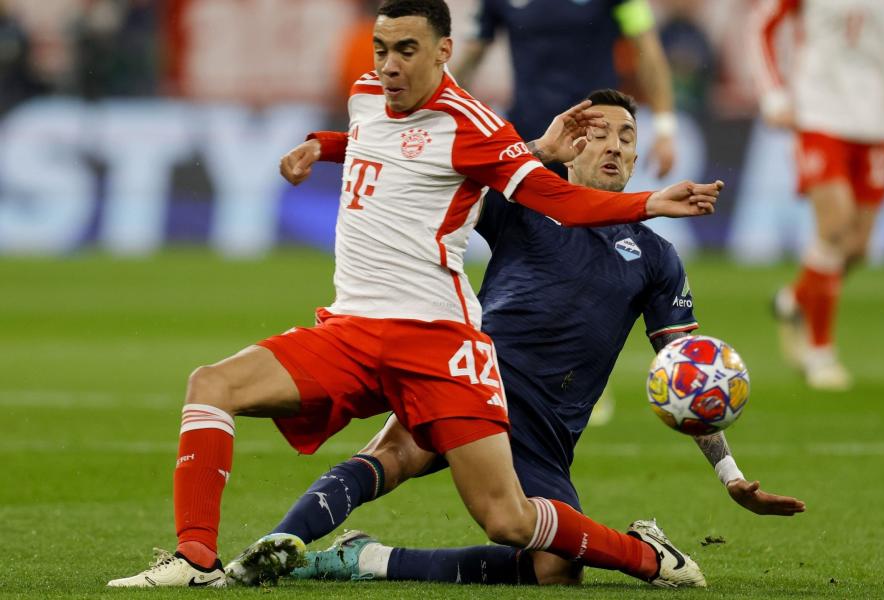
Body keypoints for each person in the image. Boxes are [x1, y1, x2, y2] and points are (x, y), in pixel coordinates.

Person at [107, 0, 723, 588]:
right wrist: (321, 146)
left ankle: (646, 558)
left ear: (444, 52)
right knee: (212, 385)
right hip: (350, 329)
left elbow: (549, 194)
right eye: (380, 50)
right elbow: (380, 143)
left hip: (438, 344)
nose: (388, 65)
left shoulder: (475, 124)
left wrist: (648, 203)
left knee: (508, 520)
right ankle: (197, 557)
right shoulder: (367, 96)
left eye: (405, 50)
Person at [225, 89, 806, 588]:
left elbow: (684, 374)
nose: (612, 147)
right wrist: (327, 147)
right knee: (395, 454)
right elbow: (432, 165)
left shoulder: (656, 256)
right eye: (595, 133)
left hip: (551, 425)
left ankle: (366, 559)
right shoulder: (522, 203)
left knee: (556, 571)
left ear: (636, 153)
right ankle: (274, 547)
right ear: (571, 144)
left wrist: (731, 477)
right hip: (475, 378)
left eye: (626, 137)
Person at [752, 0, 884, 390]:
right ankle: (820, 353)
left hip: (877, 120)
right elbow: (761, 25)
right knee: (834, 229)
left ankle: (795, 298)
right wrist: (774, 94)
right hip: (820, 114)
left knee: (857, 247)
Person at [454, 0, 677, 178]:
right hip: (531, 138)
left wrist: (664, 128)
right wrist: (439, 114)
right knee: (527, 231)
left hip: (596, 137)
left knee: (594, 229)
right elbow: (472, 54)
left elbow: (647, 51)